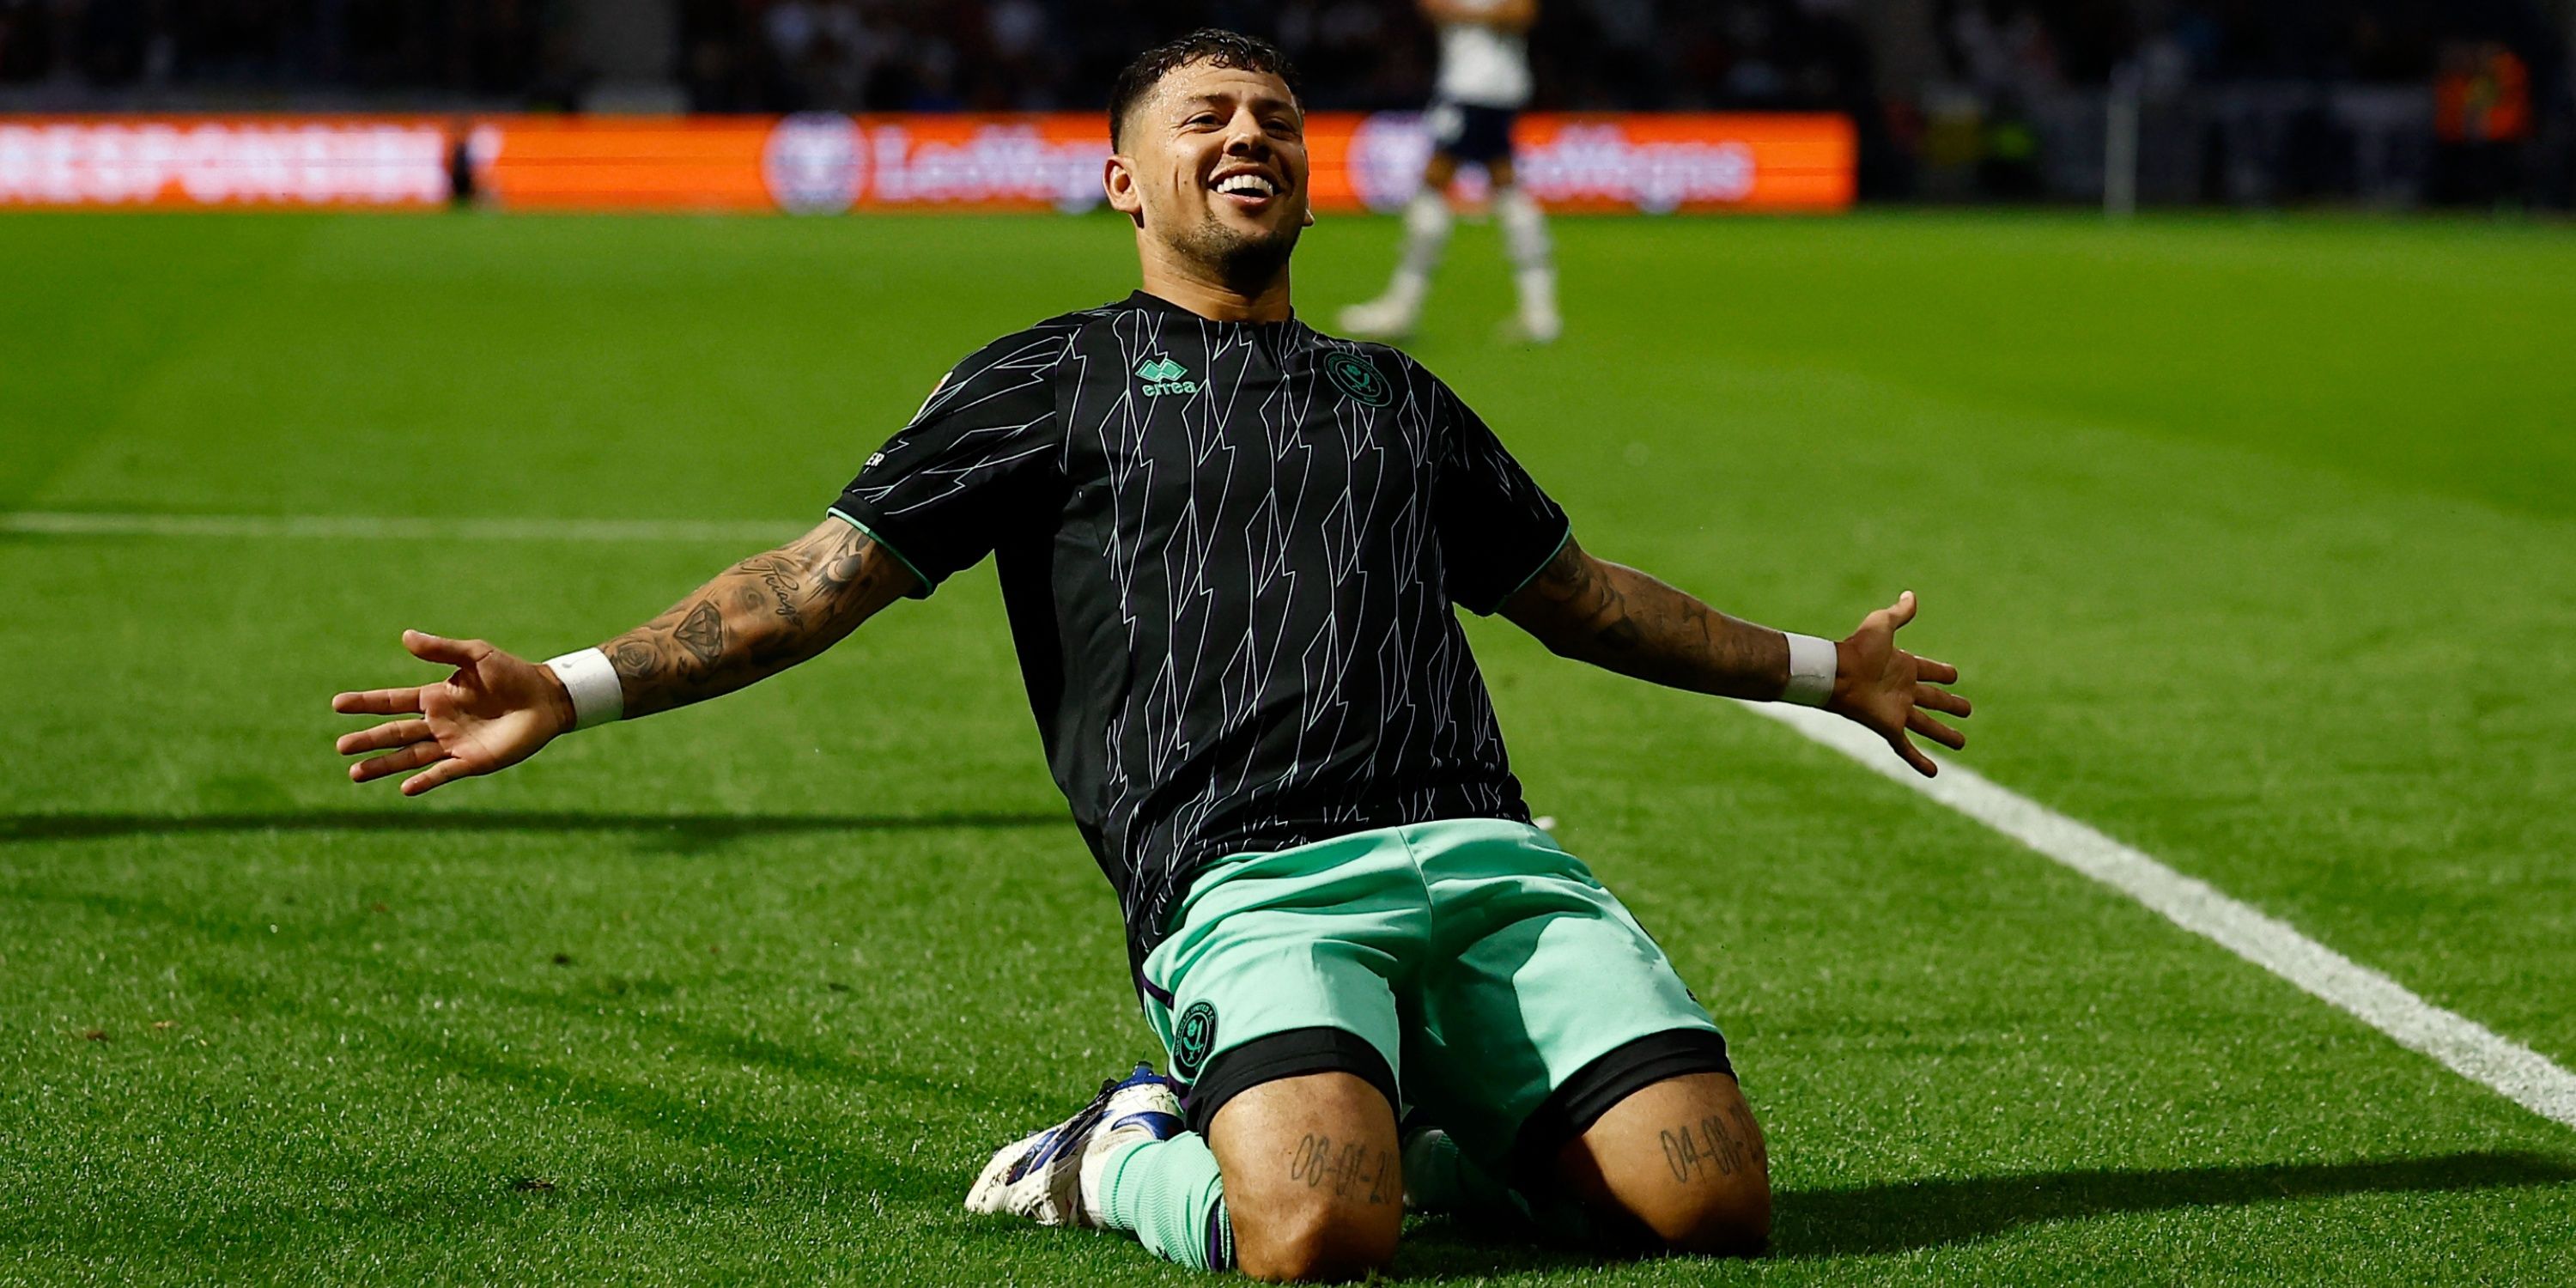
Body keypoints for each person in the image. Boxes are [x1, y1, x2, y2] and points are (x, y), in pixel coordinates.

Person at [328, 29, 1970, 1281]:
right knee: (1317, 1244)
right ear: (1127, 180)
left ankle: (1411, 1106)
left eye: (1277, 123)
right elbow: (818, 578)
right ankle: (1120, 1153)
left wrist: (1833, 669)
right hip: (1246, 875)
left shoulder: (1392, 395)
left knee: (1712, 1202)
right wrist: (576, 683)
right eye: (1207, 119)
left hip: (1487, 859)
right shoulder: (1048, 379)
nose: (1249, 137)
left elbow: (1585, 597)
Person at [1339, 0, 1558, 343]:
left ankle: (1402, 307)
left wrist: (1468, 13)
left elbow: (1521, 14)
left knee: (1432, 186)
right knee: (1506, 188)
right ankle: (1540, 311)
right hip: (1492, 89)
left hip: (1472, 89)